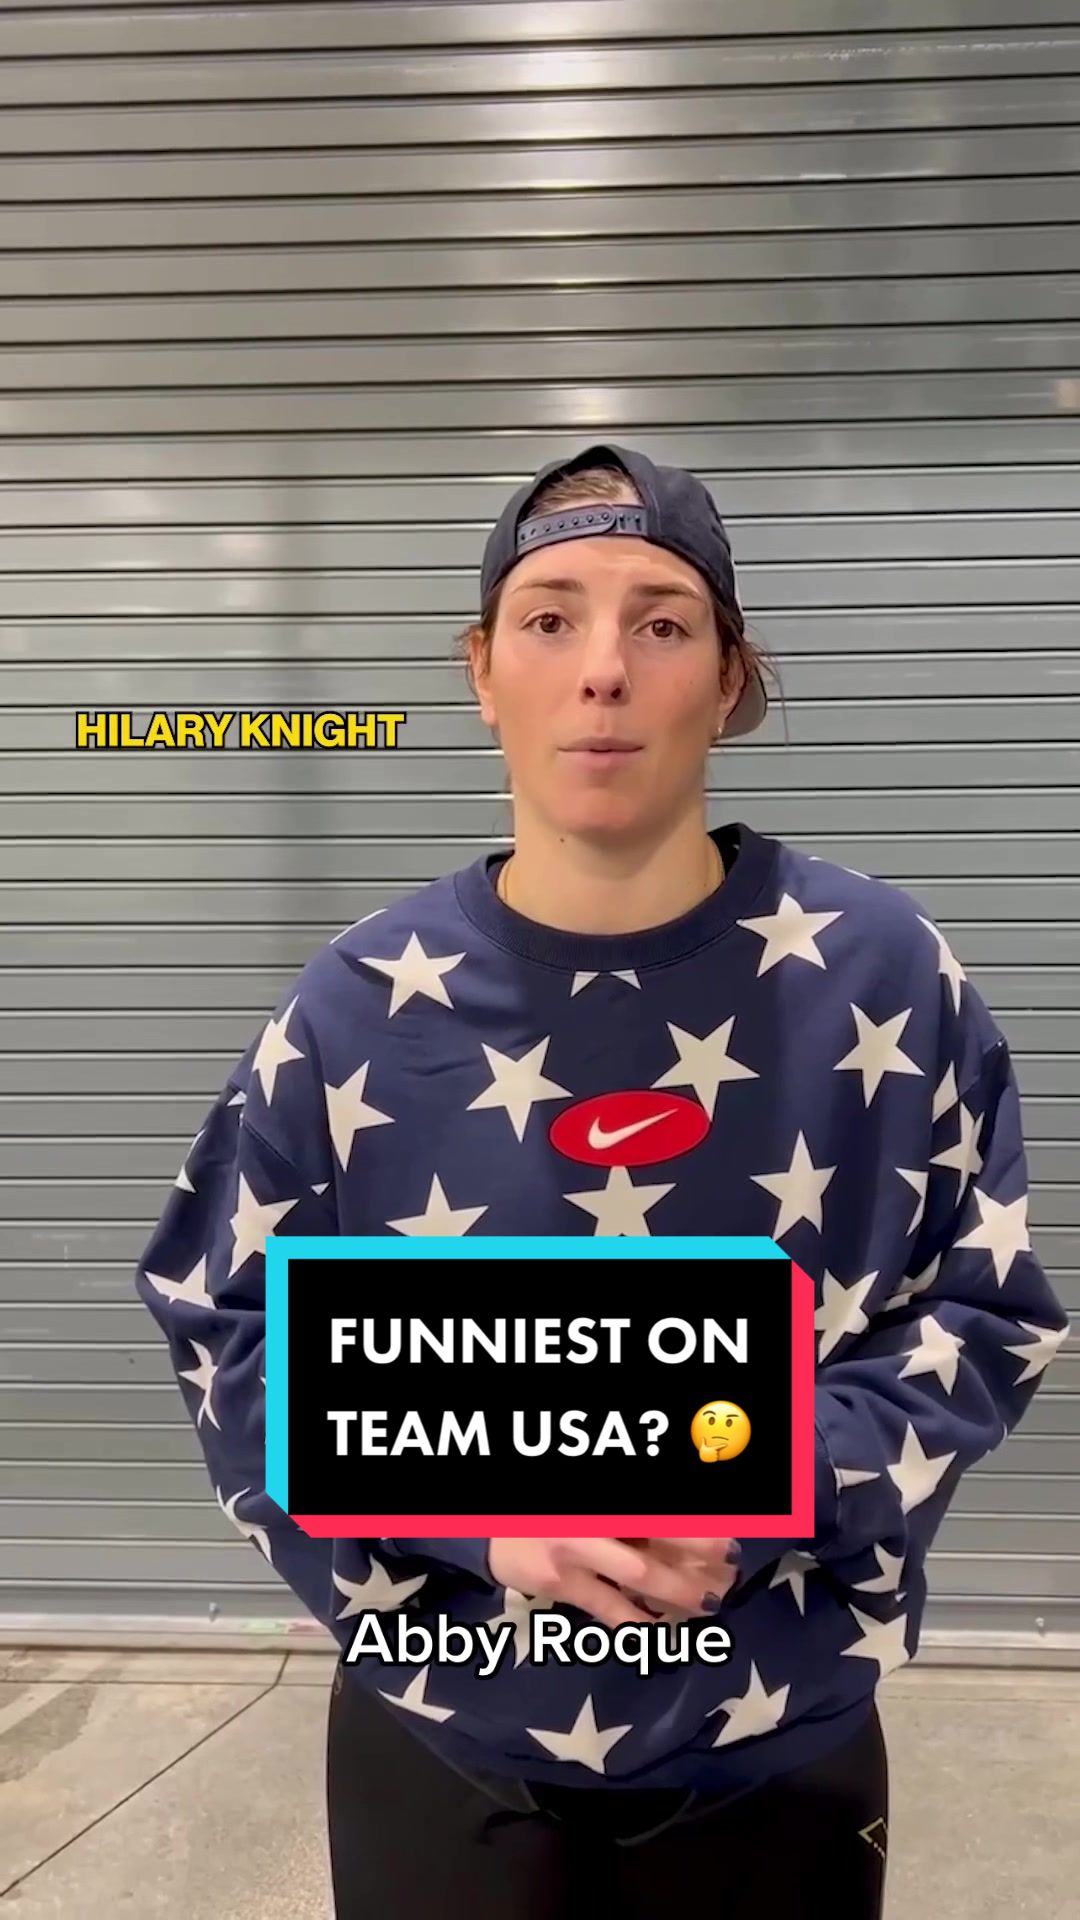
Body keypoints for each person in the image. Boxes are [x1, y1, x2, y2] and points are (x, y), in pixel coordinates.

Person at [134, 442, 1069, 1919]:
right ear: (482, 671)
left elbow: (983, 1311)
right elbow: (232, 1328)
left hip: (774, 1746)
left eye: (663, 621)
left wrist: (758, 1481)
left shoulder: (888, 976)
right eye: (551, 617)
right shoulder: (354, 1007)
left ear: (730, 678)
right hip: (445, 1736)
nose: (605, 670)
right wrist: (476, 1516)